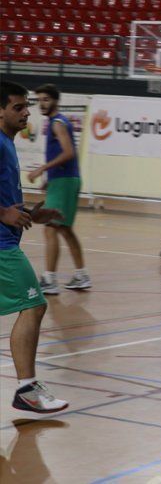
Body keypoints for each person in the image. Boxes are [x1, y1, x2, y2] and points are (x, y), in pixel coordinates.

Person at [0, 80, 69, 413]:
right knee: (35, 305)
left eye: (26, 105)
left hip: (6, 239)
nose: (27, 112)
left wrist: (30, 214)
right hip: (2, 248)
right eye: (18, 107)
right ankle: (27, 389)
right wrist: (3, 213)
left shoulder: (7, 144)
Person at [25, 84, 90, 294]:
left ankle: (50, 279)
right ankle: (81, 275)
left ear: (55, 100)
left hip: (65, 180)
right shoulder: (56, 122)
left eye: (45, 99)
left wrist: (42, 169)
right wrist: (48, 178)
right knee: (64, 228)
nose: (42, 103)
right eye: (39, 100)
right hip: (62, 180)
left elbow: (69, 152)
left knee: (50, 227)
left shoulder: (58, 123)